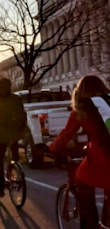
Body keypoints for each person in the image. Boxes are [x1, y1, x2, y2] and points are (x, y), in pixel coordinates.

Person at [48, 75, 110, 229]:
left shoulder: (83, 107)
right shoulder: (108, 102)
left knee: (82, 178)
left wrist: (53, 147)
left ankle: (91, 224)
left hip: (103, 155)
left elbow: (66, 134)